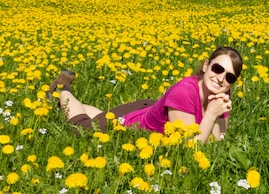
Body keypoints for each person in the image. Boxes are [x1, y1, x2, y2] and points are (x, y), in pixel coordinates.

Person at [48, 46, 243, 143]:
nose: (221, 78)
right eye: (217, 68)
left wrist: (215, 114)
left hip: (146, 110)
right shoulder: (185, 92)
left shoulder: (222, 94)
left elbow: (217, 140)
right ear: (206, 65)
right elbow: (190, 147)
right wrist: (210, 115)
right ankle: (62, 89)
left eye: (230, 77)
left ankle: (82, 104)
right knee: (81, 125)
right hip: (128, 127)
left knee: (102, 116)